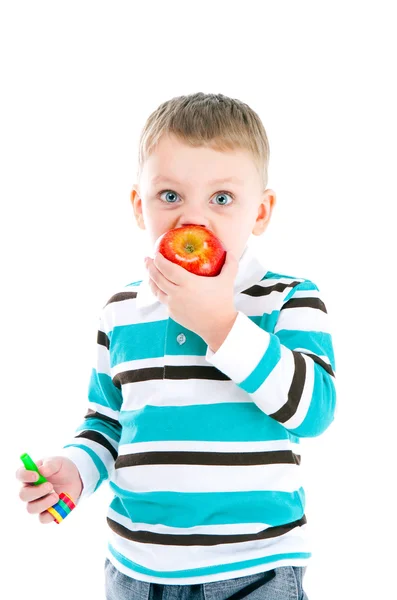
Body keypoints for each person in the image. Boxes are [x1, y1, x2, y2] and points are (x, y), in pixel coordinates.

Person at [16, 92, 336, 599]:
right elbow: (106, 423)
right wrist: (74, 470)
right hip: (137, 572)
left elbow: (314, 410)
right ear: (138, 206)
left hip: (257, 565)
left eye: (222, 198)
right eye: (170, 196)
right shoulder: (119, 311)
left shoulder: (287, 298)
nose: (193, 219)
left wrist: (220, 323)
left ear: (261, 211)